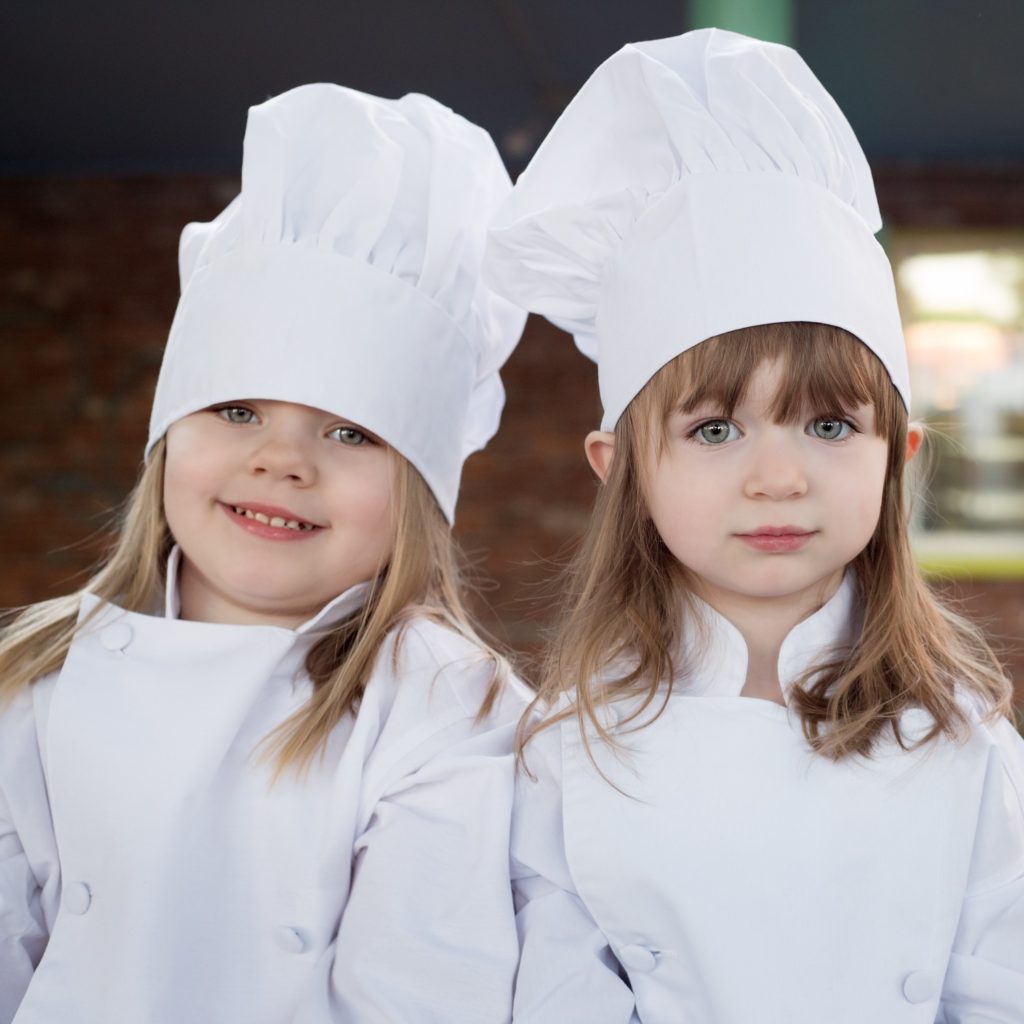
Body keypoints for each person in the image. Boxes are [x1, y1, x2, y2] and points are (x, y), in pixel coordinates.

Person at [484, 29, 1024, 1024]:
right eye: (716, 427)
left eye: (827, 423)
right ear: (622, 470)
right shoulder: (564, 751)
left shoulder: (965, 742)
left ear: (895, 457)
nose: (776, 476)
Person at [0, 83, 528, 1023]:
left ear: (421, 491)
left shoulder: (449, 709)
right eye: (237, 409)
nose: (281, 460)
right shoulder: (35, 683)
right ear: (166, 438)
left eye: (351, 433)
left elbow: (423, 993)